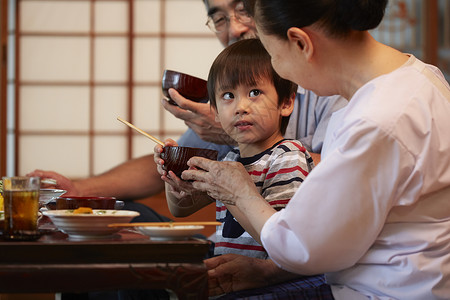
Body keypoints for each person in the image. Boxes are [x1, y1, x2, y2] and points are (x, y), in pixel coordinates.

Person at [181, 0, 450, 299]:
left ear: (300, 42)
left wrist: (240, 193)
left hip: (381, 290)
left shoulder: (378, 120)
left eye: (272, 55)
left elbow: (302, 247)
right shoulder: (419, 77)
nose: (280, 69)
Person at [27, 0, 346, 200]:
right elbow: (170, 170)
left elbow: (348, 172)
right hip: (233, 243)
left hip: (298, 250)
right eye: (219, 18)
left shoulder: (325, 84)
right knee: (113, 233)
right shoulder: (227, 98)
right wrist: (81, 190)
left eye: (244, 9)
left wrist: (237, 136)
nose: (234, 28)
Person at [158, 38, 318, 260]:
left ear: (286, 103)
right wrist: (171, 172)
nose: (240, 107)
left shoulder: (288, 156)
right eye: (228, 96)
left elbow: (282, 238)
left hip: (268, 283)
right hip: (232, 278)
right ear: (214, 110)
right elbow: (181, 208)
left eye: (254, 92)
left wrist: (231, 194)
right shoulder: (231, 159)